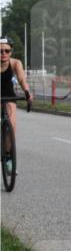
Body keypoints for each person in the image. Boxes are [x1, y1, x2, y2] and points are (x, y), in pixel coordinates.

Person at [1, 37, 33, 175]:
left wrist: (27, 92)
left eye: (6, 51)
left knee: (11, 127)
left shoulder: (15, 63)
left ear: (11, 52)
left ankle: (8, 158)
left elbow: (21, 79)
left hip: (8, 96)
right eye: (0, 51)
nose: (3, 54)